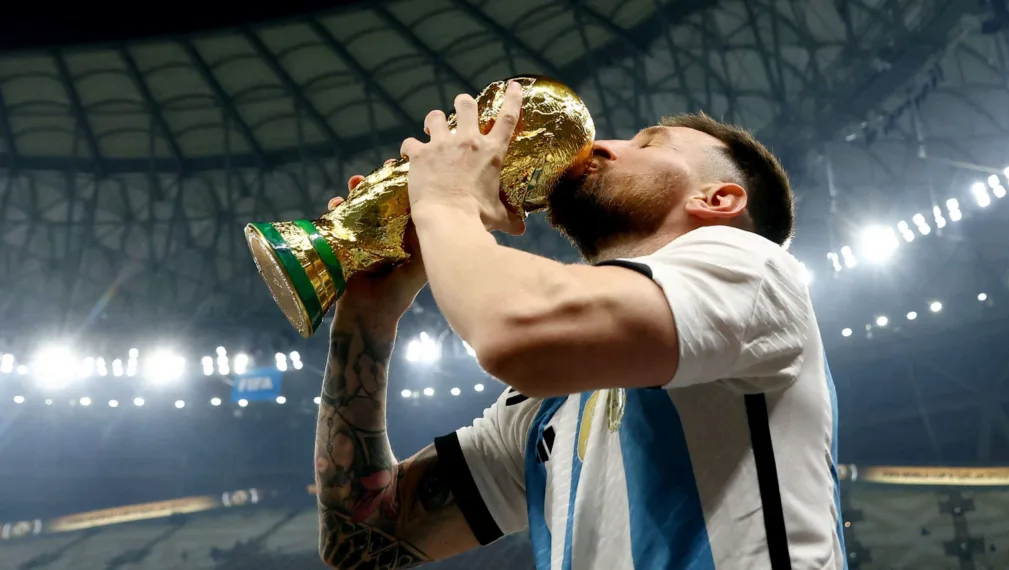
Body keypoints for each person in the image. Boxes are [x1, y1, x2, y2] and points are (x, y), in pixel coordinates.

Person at [314, 82, 845, 570]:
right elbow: (362, 535)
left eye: (648, 142)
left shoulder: (753, 269)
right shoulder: (547, 401)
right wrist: (370, 314)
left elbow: (511, 331)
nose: (601, 146)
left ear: (717, 199)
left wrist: (446, 200)